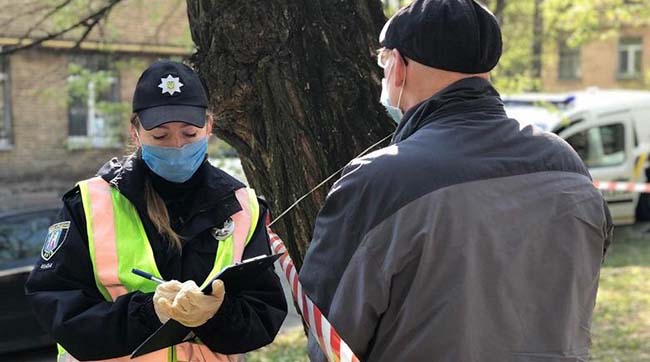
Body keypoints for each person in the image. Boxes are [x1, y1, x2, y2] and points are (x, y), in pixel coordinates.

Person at [298, 0, 613, 361]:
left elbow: (329, 337)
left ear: (398, 66)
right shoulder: (566, 162)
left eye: (383, 61)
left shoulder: (378, 181)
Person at [25, 60, 287, 361]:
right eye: (160, 136)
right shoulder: (87, 203)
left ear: (209, 126)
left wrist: (216, 313)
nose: (176, 147)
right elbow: (57, 308)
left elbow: (263, 315)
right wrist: (149, 313)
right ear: (135, 131)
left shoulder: (242, 205)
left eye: (189, 134)